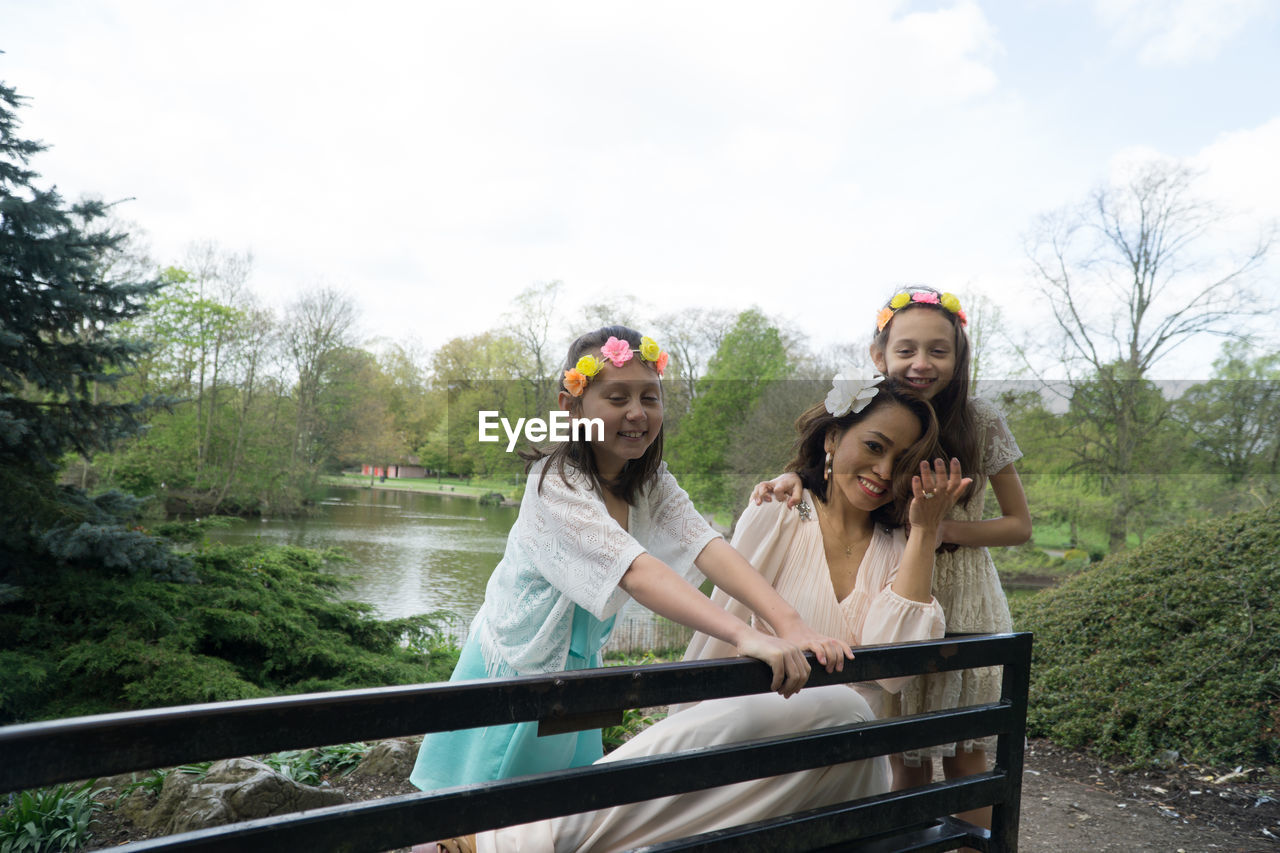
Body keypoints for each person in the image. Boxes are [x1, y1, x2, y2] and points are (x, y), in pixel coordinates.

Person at [477, 377, 971, 852]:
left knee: (851, 715)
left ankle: (506, 839)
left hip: (848, 750)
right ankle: (496, 840)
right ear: (835, 438)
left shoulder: (900, 547)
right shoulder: (781, 510)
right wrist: (765, 637)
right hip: (752, 730)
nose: (885, 471)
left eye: (902, 460)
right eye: (875, 447)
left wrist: (925, 533)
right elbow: (694, 581)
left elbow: (893, 673)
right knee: (503, 796)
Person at [411, 325, 853, 853]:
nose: (637, 413)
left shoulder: (650, 479)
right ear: (571, 405)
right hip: (514, 666)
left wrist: (790, 624)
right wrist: (744, 635)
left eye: (649, 397)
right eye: (616, 398)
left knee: (553, 822)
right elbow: (636, 571)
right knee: (466, 824)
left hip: (577, 672)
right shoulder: (557, 481)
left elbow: (706, 544)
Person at [752, 286, 1032, 834]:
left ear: (959, 357)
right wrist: (793, 477)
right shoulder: (876, 412)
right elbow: (838, 463)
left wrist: (936, 527)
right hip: (890, 585)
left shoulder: (980, 420)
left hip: (960, 590)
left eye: (938, 350)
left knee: (963, 752)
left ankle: (966, 845)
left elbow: (1019, 525)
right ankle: (904, 842)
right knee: (901, 753)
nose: (921, 364)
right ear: (879, 354)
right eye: (906, 350)